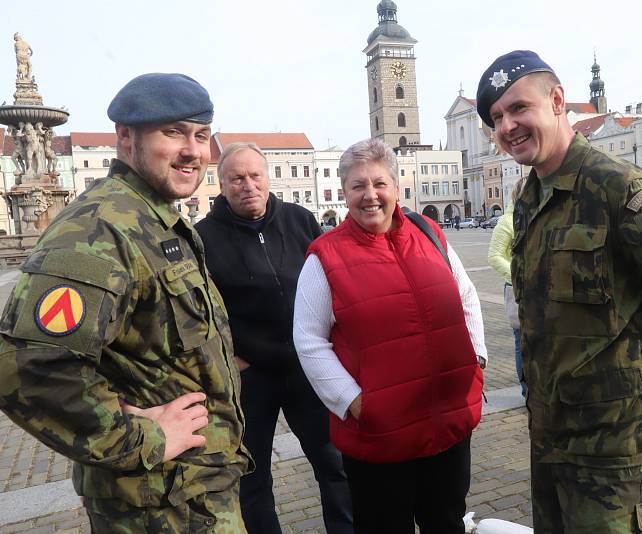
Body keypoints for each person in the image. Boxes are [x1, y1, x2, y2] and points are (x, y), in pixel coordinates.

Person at [476, 50, 642, 533]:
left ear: (558, 100)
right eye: (496, 118)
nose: (507, 127)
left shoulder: (620, 189)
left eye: (518, 108)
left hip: (616, 438)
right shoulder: (530, 198)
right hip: (552, 429)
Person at [0, 73, 252, 532]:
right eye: (172, 132)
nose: (193, 151)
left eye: (200, 135)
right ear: (124, 137)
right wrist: (142, 438)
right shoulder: (99, 228)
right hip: (157, 507)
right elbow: (27, 367)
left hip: (195, 490)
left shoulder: (156, 220)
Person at [293, 138, 486, 534]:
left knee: (446, 522)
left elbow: (465, 295)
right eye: (357, 186)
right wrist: (355, 402)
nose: (370, 195)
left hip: (446, 422)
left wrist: (477, 359)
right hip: (381, 435)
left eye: (379, 183)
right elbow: (309, 341)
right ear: (344, 192)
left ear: (396, 187)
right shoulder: (325, 257)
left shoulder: (428, 231)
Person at [195, 142, 354, 533]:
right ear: (222, 184)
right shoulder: (202, 237)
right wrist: (228, 356)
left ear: (267, 179)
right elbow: (197, 311)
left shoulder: (299, 220)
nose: (247, 185)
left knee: (334, 464)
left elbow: (333, 280)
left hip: (308, 368)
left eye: (255, 176)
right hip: (251, 376)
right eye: (237, 178)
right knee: (252, 476)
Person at [487, 178, 526, 397]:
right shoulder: (507, 222)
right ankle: (526, 390)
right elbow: (494, 257)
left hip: (540, 289)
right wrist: (519, 275)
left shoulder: (535, 217)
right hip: (517, 289)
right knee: (521, 340)